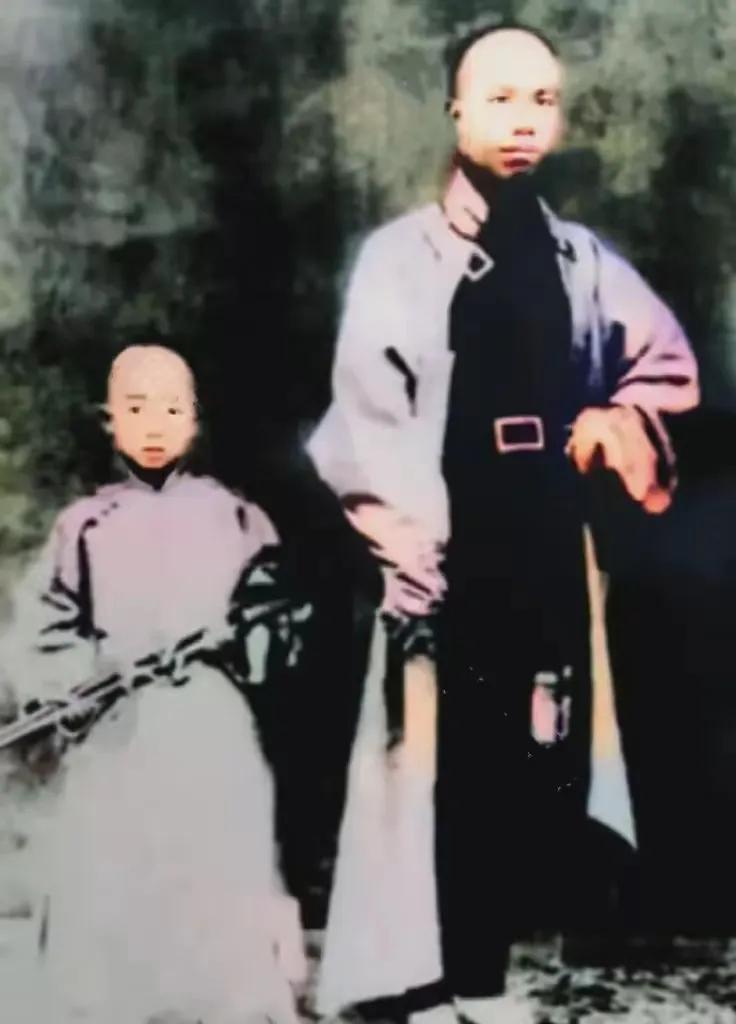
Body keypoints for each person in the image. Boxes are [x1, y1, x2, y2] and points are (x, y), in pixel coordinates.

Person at [308, 21, 699, 1024]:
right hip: (450, 526)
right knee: (441, 756)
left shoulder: (578, 257)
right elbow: (368, 416)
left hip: (545, 528)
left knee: (532, 757)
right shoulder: (401, 257)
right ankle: (423, 978)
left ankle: (482, 976)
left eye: (541, 101)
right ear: (454, 111)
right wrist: (409, 545)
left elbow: (662, 366)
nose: (523, 121)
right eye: (499, 99)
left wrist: (614, 421)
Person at [1, 343, 306, 1024]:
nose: (154, 424)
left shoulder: (237, 519)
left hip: (209, 718)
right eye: (136, 408)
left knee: (216, 852)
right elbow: (46, 628)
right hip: (118, 726)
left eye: (172, 409)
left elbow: (276, 624)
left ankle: (223, 1002)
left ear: (195, 419)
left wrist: (248, 639)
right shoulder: (84, 525)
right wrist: (74, 680)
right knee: (111, 853)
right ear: (109, 420)